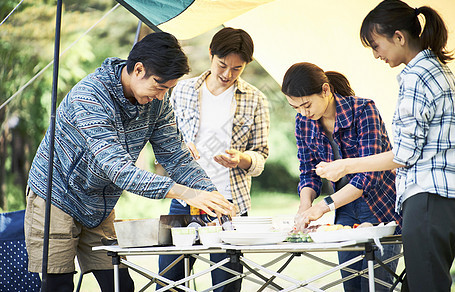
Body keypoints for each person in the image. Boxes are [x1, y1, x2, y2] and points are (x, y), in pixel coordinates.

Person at [24, 32, 235, 292]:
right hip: (55, 195)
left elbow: (176, 155)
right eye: (159, 86)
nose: (161, 96)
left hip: (99, 201)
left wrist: (208, 193)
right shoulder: (91, 96)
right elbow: (117, 168)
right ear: (138, 69)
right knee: (58, 284)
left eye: (167, 90)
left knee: (120, 284)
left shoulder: (159, 101)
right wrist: (184, 192)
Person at [315, 0, 455, 292]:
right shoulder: (437, 71)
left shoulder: (417, 77)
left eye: (376, 46)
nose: (376, 55)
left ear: (399, 37)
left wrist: (346, 165)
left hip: (428, 198)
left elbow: (404, 154)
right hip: (442, 198)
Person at [158, 27, 270, 292]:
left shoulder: (256, 99)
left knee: (226, 283)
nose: (227, 74)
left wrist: (241, 158)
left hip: (229, 203)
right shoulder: (182, 89)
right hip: (185, 197)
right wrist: (182, 147)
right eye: (222, 65)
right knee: (169, 281)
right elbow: (165, 140)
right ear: (211, 54)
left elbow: (261, 156)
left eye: (237, 69)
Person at [281, 62, 402, 291]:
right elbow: (308, 170)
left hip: (379, 208)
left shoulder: (364, 110)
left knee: (375, 286)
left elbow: (369, 176)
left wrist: (322, 207)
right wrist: (305, 206)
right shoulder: (303, 122)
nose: (303, 113)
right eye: (295, 107)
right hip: (344, 210)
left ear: (325, 90)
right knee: (351, 285)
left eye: (306, 104)